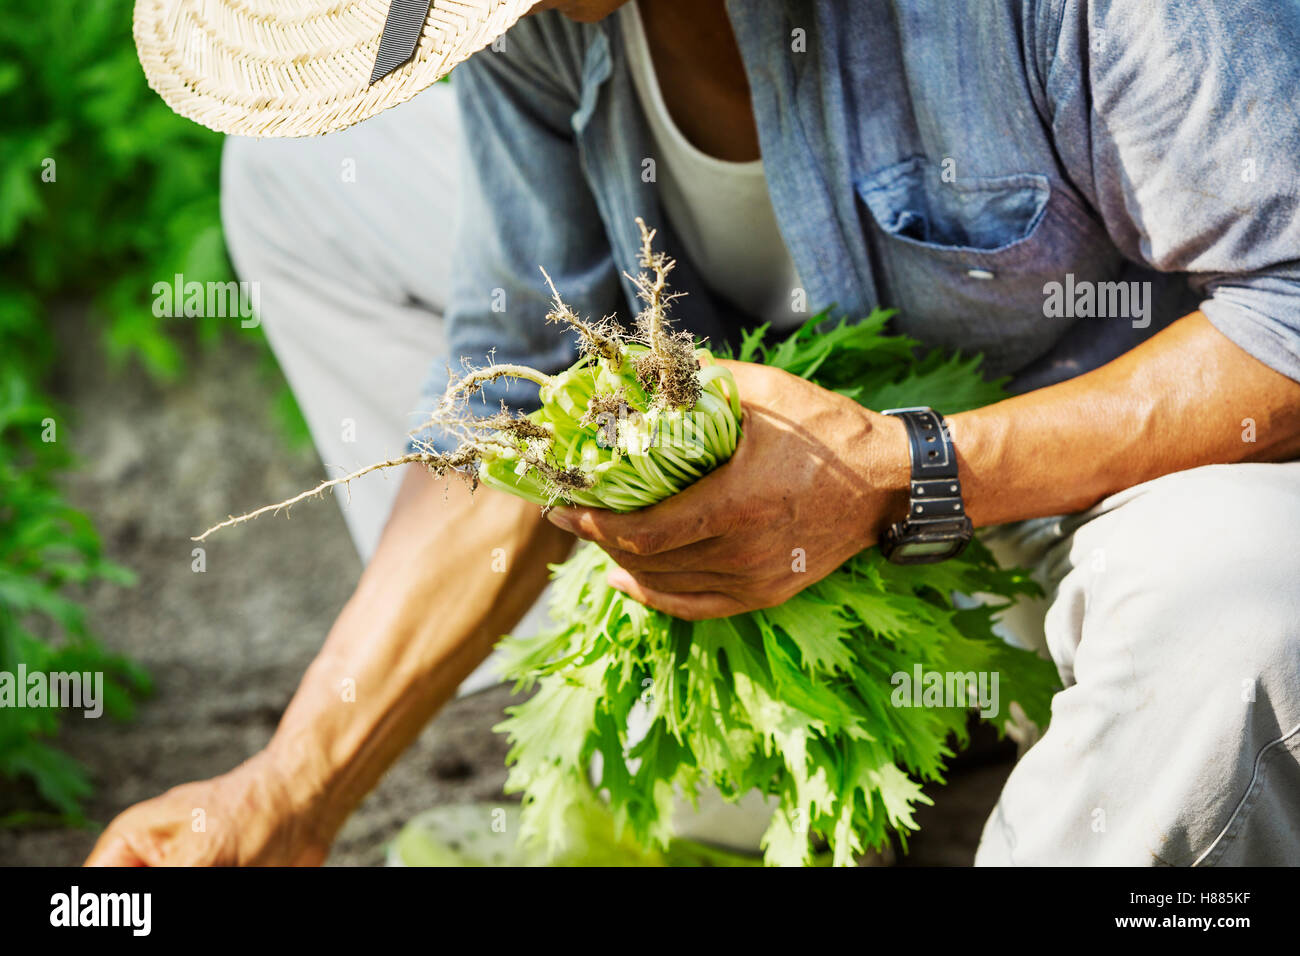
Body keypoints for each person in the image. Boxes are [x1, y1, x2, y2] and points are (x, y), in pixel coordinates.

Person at [91, 0, 1300, 866]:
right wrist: (289, 791)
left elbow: (1288, 308)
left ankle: (1081, 729)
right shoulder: (542, 32)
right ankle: (790, 755)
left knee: (1245, 602)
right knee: (294, 176)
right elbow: (517, 397)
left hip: (1128, 477)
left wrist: (898, 474)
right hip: (836, 530)